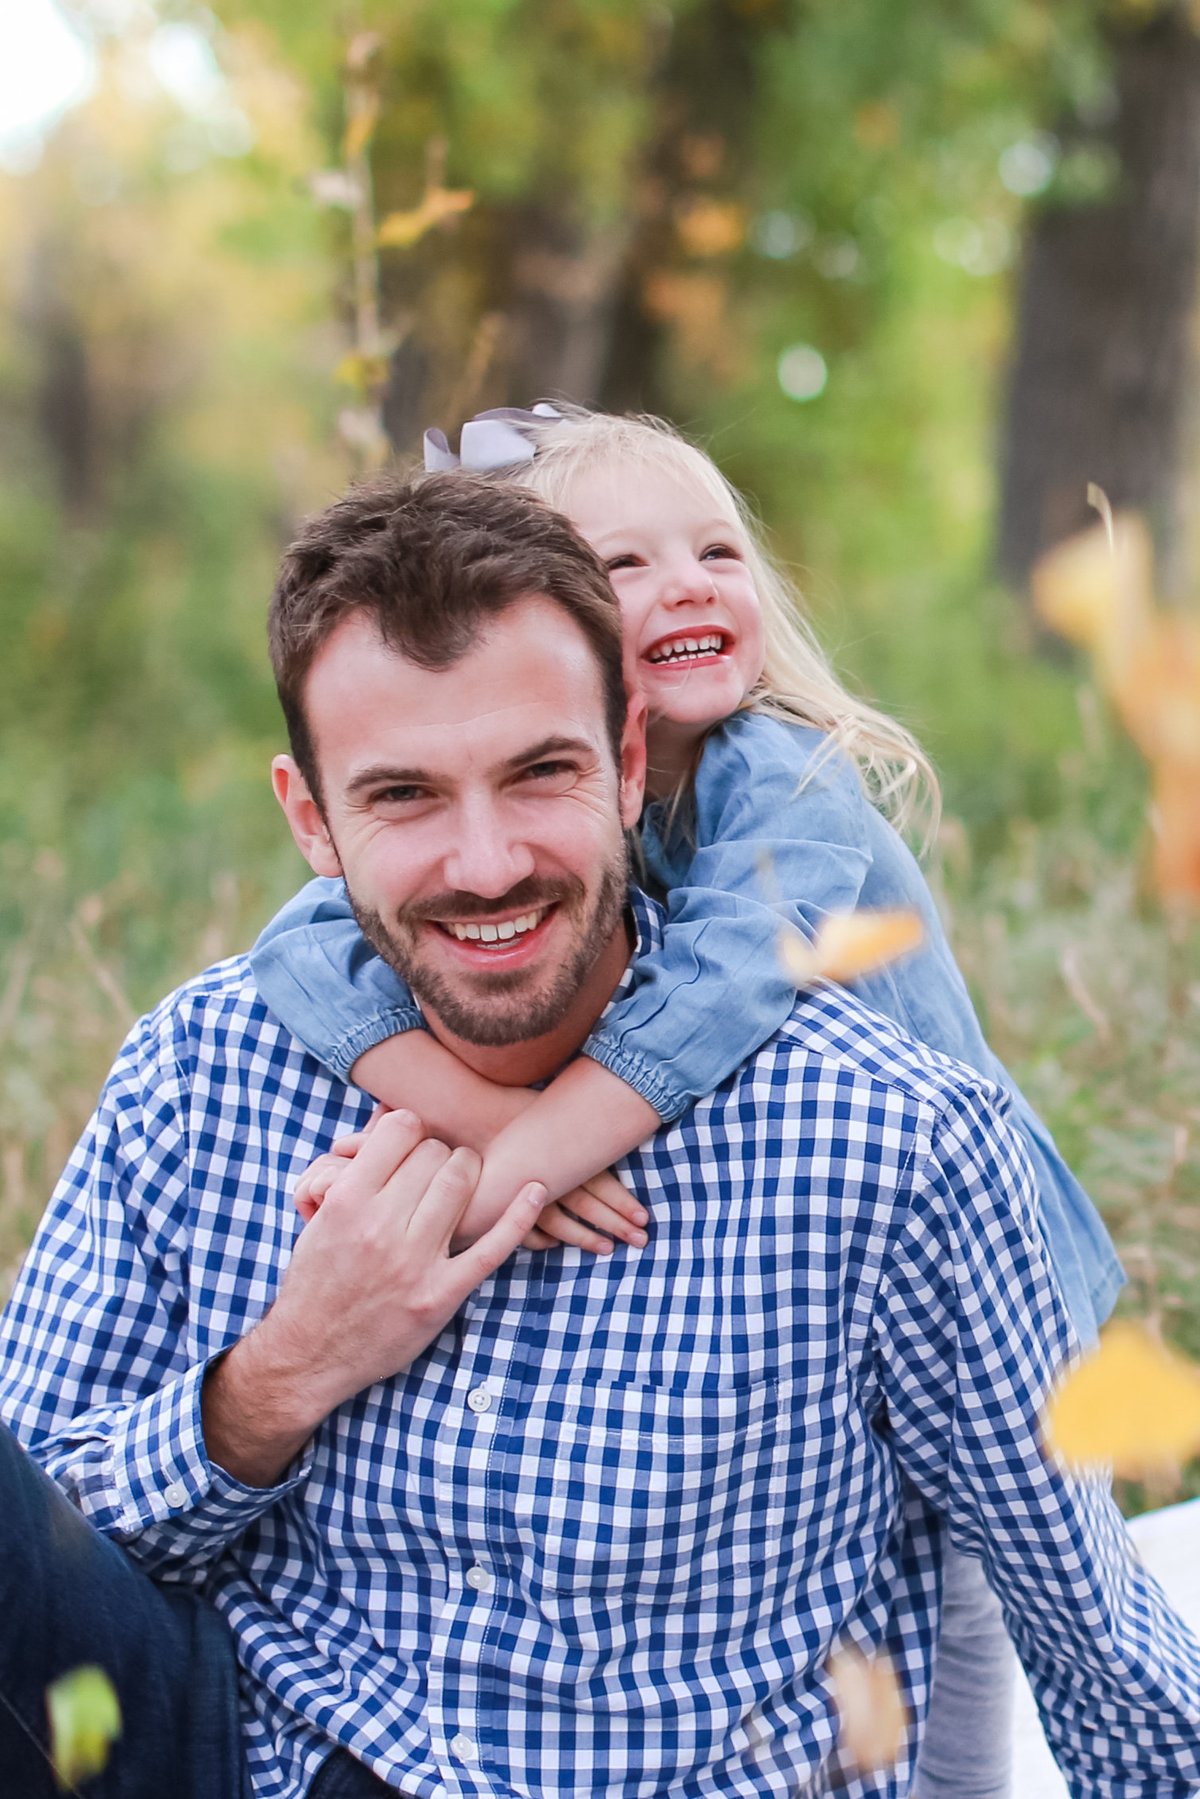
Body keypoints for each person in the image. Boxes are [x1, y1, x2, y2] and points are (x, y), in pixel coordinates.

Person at [1, 470, 1196, 1799]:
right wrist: (278, 1380)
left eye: (539, 773)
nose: (488, 861)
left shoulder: (883, 1140)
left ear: (629, 762)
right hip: (250, 1749)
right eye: (402, 795)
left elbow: (1095, 1637)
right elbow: (41, 1550)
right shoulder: (201, 1069)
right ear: (310, 819)